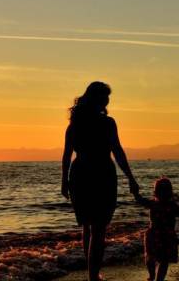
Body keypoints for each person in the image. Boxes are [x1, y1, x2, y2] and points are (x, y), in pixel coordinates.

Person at [61, 81, 140, 281]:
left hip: (80, 174)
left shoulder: (74, 125)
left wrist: (64, 180)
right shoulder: (107, 123)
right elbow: (117, 151)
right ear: (95, 98)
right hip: (101, 174)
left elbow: (67, 155)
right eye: (104, 97)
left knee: (89, 226)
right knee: (98, 228)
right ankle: (94, 276)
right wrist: (130, 177)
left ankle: (93, 274)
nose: (107, 101)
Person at [133, 177, 179, 281]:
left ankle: (152, 276)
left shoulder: (154, 204)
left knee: (151, 257)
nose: (163, 194)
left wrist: (135, 193)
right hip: (166, 236)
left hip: (155, 235)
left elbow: (140, 200)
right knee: (162, 260)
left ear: (155, 192)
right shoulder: (171, 205)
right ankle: (157, 278)